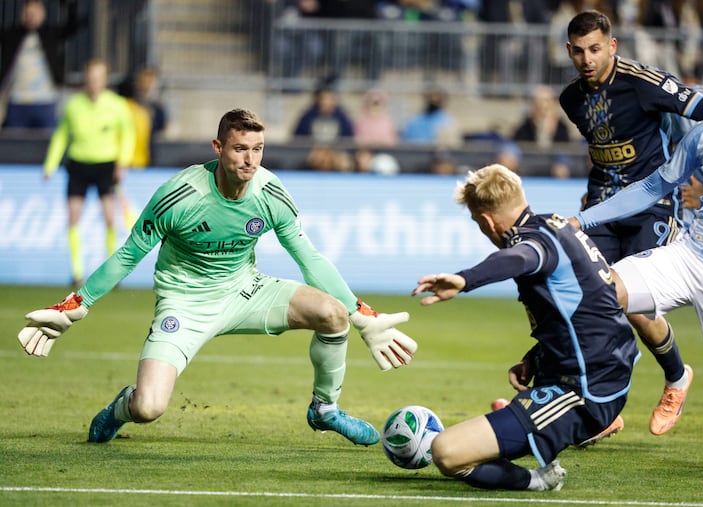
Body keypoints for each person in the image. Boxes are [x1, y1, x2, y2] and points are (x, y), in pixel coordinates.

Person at [18, 108, 418, 447]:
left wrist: (361, 313)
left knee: (333, 315)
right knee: (149, 408)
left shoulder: (270, 193)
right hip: (185, 304)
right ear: (218, 148)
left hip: (246, 290)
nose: (251, 160)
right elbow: (128, 256)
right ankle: (122, 406)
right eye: (240, 149)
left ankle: (325, 409)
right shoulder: (180, 195)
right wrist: (77, 303)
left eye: (258, 149)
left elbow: (308, 257)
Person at [570, 34, 703, 469]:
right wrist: (586, 219)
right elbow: (654, 186)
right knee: (600, 292)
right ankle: (596, 407)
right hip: (690, 256)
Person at [412, 163, 639, 491]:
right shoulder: (556, 226)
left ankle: (539, 479)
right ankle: (523, 424)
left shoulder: (531, 242)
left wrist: (464, 279)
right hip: (601, 371)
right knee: (462, 444)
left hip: (583, 392)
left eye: (478, 223)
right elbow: (588, 307)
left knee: (446, 453)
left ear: (487, 220)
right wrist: (536, 358)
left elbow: (519, 258)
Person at [558, 10, 703, 437]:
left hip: (654, 204)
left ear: (612, 46)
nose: (587, 58)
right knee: (585, 300)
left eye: (596, 49)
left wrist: (700, 179)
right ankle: (599, 408)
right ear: (569, 52)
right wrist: (592, 193)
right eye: (579, 51)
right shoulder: (571, 99)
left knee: (634, 307)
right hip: (602, 207)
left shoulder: (645, 82)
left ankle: (675, 377)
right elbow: (603, 147)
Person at [42, 58, 136, 288]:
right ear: (86, 79)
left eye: (98, 78)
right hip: (79, 164)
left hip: (106, 165)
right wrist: (50, 164)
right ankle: (77, 272)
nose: (93, 82)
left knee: (109, 219)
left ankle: (112, 273)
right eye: (90, 78)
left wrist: (123, 163)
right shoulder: (74, 105)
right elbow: (62, 135)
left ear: (104, 80)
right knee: (73, 218)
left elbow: (129, 135)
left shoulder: (117, 105)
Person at [0, 0, 84, 129]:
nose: (31, 17)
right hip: (17, 101)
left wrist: (70, 5)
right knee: (14, 143)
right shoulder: (12, 35)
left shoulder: (51, 34)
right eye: (28, 13)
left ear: (42, 14)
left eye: (35, 13)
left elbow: (73, 26)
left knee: (47, 142)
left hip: (45, 101)